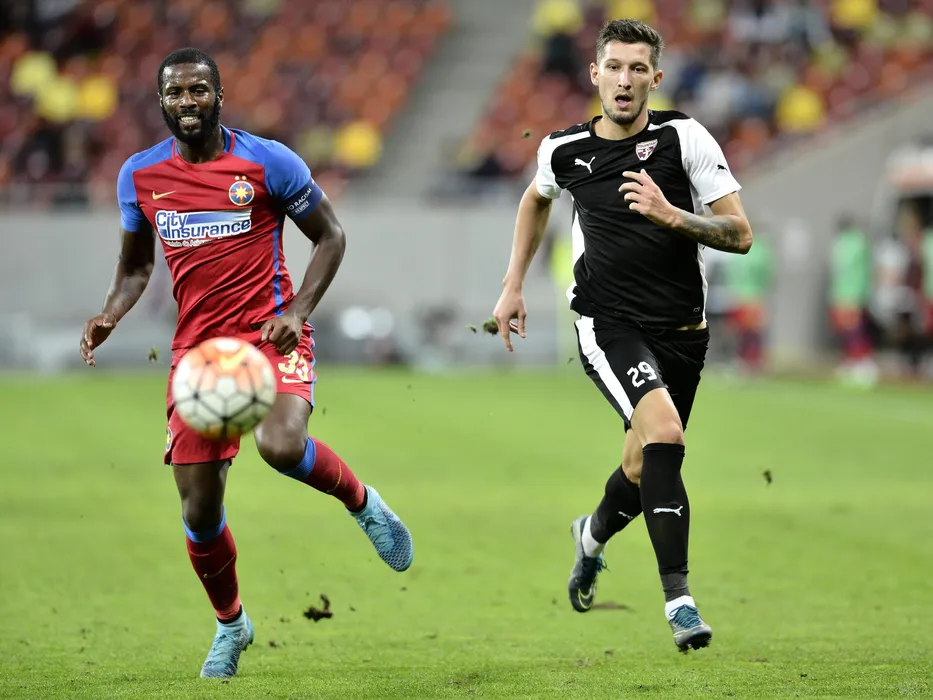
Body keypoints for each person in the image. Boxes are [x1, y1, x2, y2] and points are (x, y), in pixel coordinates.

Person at [78, 48, 413, 679]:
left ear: (219, 95)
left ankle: (364, 503)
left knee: (281, 446)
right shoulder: (140, 176)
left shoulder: (268, 161)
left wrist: (298, 311)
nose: (187, 102)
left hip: (270, 336)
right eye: (175, 93)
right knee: (199, 513)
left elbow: (331, 236)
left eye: (198, 90)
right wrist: (110, 312)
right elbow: (137, 266)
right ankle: (232, 624)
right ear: (161, 102)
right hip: (199, 356)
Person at [492, 19, 753, 652]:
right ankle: (680, 602)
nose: (625, 80)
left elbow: (740, 234)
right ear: (595, 74)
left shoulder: (684, 138)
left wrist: (671, 214)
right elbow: (535, 199)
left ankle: (589, 538)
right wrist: (513, 283)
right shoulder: (563, 150)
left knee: (641, 465)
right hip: (608, 325)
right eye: (614, 67)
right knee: (666, 434)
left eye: (638, 69)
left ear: (655, 78)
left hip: (684, 332)